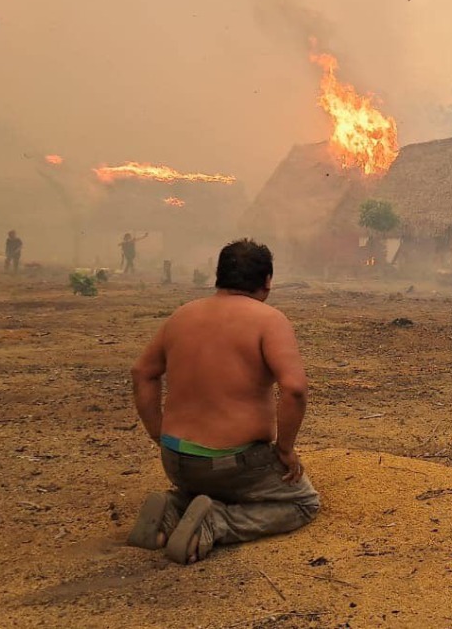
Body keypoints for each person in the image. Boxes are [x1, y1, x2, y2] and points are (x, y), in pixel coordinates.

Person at [127, 239, 319, 564]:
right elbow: (295, 389)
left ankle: (173, 510)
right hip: (233, 465)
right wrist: (284, 450)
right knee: (303, 503)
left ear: (219, 276)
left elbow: (142, 372)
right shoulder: (268, 320)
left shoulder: (182, 315)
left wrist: (157, 433)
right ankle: (216, 523)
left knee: (209, 486)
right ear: (267, 281)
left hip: (175, 459)